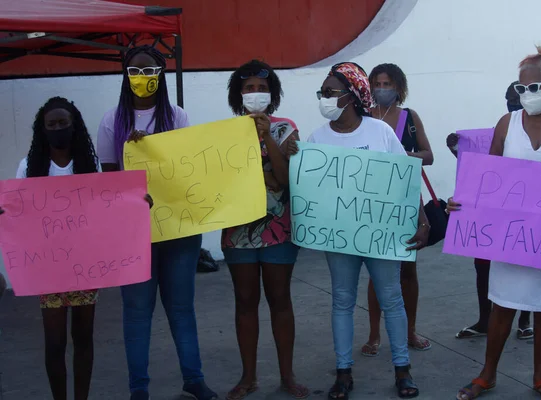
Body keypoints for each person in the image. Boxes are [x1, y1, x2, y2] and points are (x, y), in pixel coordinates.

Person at [450, 47, 541, 400]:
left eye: (536, 87)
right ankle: (487, 375)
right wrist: (462, 203)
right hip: (510, 241)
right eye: (522, 88)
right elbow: (488, 180)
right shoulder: (507, 124)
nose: (527, 95)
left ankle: (540, 378)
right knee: (503, 305)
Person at [289, 62, 429, 399]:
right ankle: (343, 373)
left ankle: (402, 369)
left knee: (392, 299)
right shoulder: (316, 138)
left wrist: (421, 220)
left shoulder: (380, 132)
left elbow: (404, 179)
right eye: (321, 93)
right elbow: (308, 188)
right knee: (342, 301)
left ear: (351, 97)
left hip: (381, 234)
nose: (324, 99)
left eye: (330, 92)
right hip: (339, 239)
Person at [96, 45, 217, 400]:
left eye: (150, 72)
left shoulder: (177, 116)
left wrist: (155, 148)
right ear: (125, 75)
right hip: (131, 233)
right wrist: (131, 160)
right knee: (136, 313)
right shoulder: (110, 121)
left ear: (160, 75)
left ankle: (193, 380)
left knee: (181, 309)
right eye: (135, 72)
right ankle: (139, 390)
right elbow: (108, 180)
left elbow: (185, 169)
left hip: (177, 227)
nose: (143, 78)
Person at [1, 97, 101, 400]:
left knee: (83, 338)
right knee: (55, 342)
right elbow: (18, 213)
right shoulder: (29, 167)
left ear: (74, 125)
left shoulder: (89, 164)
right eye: (52, 124)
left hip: (85, 265)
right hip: (49, 268)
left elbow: (105, 209)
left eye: (63, 123)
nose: (58, 129)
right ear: (42, 130)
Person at [222, 60, 308, 400]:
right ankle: (248, 377)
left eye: (262, 88)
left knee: (280, 299)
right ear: (238, 95)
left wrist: (266, 137)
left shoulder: (285, 128)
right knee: (244, 301)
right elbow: (227, 181)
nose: (255, 94)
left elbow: (287, 180)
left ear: (272, 94)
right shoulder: (223, 134)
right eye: (248, 88)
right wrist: (269, 172)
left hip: (280, 230)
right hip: (237, 232)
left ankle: (287, 376)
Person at [446, 82, 533, 341]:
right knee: (482, 264)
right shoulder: (501, 129)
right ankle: (485, 319)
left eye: (517, 100)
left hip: (524, 208)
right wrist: (458, 150)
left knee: (526, 262)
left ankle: (525, 320)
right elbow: (482, 167)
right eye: (509, 100)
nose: (513, 105)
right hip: (492, 208)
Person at [359, 63, 434, 355]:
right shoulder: (363, 117)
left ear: (399, 87)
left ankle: (409, 331)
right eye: (377, 83)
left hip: (404, 201)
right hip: (370, 203)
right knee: (375, 272)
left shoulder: (409, 117)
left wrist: (400, 156)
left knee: (407, 270)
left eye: (387, 83)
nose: (382, 89)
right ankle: (374, 334)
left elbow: (428, 155)